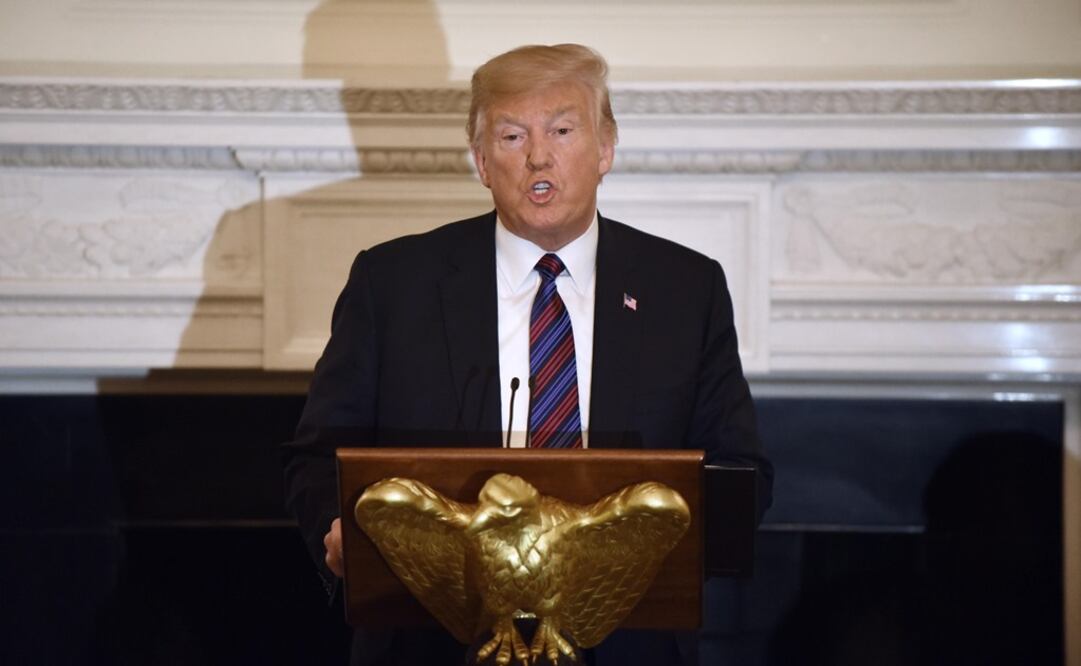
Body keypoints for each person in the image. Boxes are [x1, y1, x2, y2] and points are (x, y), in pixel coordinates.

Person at [283, 43, 773, 665]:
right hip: (429, 641)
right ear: (482, 161)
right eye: (513, 136)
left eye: (562, 131)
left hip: (627, 644)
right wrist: (335, 526)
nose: (539, 156)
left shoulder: (685, 289)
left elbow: (740, 471)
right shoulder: (393, 284)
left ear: (605, 148)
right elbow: (317, 457)